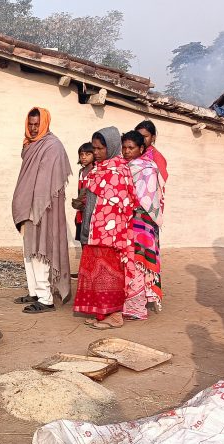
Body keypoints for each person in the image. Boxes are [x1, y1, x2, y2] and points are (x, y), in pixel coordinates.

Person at [73, 129, 144, 328]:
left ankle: (115, 315)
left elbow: (124, 205)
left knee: (109, 274)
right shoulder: (99, 169)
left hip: (111, 234)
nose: (96, 152)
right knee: (95, 273)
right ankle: (101, 312)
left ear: (111, 147)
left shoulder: (118, 171)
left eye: (100, 148)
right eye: (94, 148)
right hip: (95, 230)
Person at [11, 108, 71, 314]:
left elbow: (48, 183)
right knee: (29, 251)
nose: (34, 128)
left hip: (44, 207)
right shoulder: (29, 144)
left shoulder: (53, 146)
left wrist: (38, 207)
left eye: (37, 124)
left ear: (45, 123)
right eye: (30, 124)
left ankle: (46, 298)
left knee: (40, 250)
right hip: (27, 205)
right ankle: (35, 292)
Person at [124, 130, 166, 313]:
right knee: (130, 261)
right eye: (124, 147)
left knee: (139, 262)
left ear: (141, 148)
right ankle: (132, 302)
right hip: (129, 219)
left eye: (131, 148)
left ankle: (137, 306)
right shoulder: (125, 167)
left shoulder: (148, 168)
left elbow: (148, 196)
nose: (127, 151)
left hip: (143, 220)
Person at [71, 142, 94, 244]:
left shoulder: (95, 171)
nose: (84, 157)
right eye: (81, 154)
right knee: (82, 238)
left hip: (91, 210)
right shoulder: (81, 171)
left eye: (88, 154)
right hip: (81, 210)